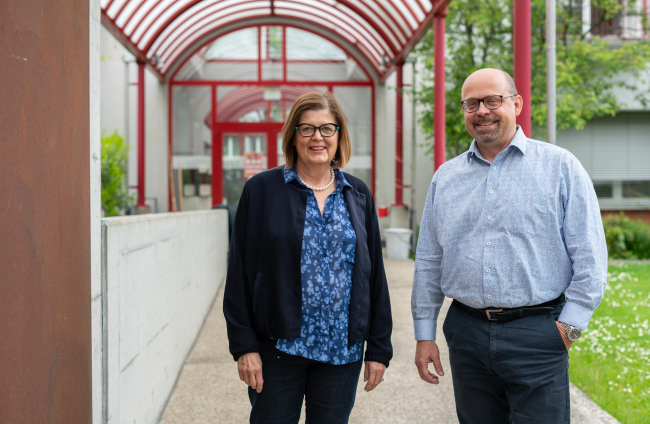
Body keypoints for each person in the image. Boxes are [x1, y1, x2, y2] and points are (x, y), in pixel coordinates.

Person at [411, 68, 607, 423]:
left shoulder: (560, 167)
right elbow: (429, 260)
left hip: (539, 333)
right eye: (472, 104)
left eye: (492, 100)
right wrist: (424, 335)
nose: (482, 111)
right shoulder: (446, 177)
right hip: (466, 334)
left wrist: (568, 330)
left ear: (516, 104)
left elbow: (591, 258)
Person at [224, 92, 393, 424]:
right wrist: (244, 346)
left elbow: (373, 276)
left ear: (339, 135)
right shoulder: (261, 190)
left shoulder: (357, 193)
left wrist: (378, 349)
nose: (318, 137)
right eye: (307, 128)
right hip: (276, 350)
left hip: (341, 352)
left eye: (327, 129)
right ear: (293, 135)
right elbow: (239, 272)